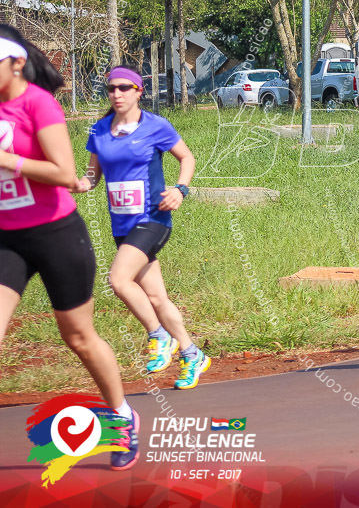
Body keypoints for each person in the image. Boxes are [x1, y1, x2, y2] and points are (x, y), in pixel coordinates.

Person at [0, 26, 139, 469]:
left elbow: (65, 173)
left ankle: (121, 415)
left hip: (56, 233)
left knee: (77, 336)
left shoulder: (39, 104)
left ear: (16, 63)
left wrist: (5, 159)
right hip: (7, 239)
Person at [71, 66, 209, 390]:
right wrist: (69, 184)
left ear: (138, 91)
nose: (116, 94)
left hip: (153, 219)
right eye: (111, 89)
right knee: (157, 298)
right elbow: (92, 177)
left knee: (118, 279)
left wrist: (180, 190)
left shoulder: (155, 127)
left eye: (123, 88)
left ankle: (159, 336)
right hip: (122, 225)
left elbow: (186, 158)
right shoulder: (99, 131)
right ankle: (192, 354)